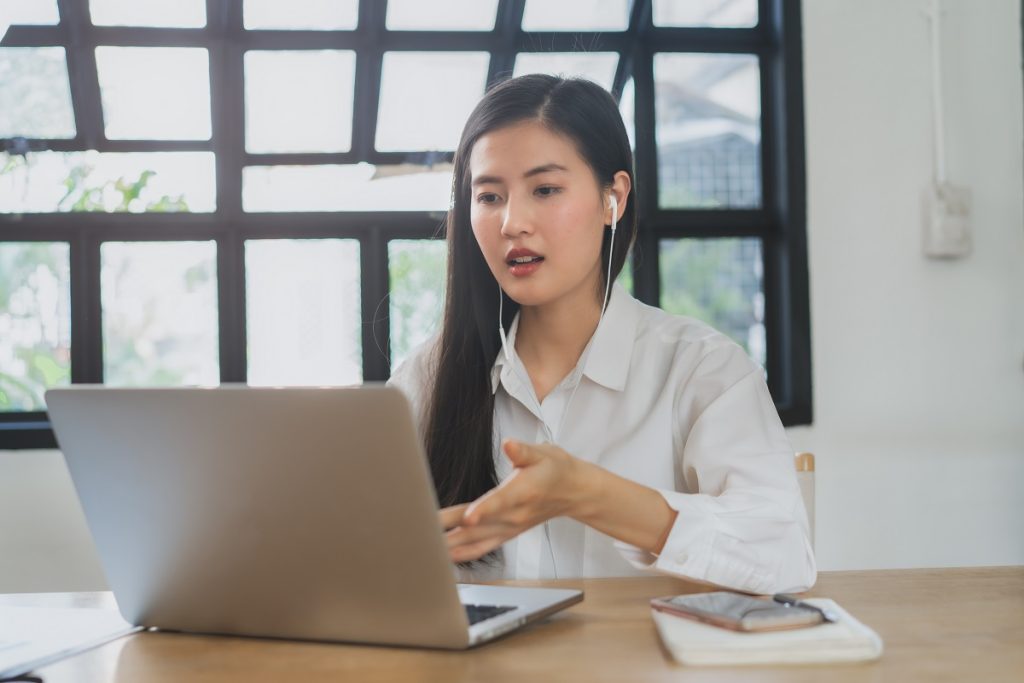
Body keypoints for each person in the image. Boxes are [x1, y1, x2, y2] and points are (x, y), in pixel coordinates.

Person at [387, 74, 816, 594]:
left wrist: (586, 493)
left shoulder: (702, 371)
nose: (512, 222)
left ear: (613, 198)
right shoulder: (424, 379)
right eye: (489, 196)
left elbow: (784, 555)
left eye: (545, 189)